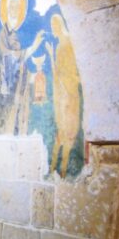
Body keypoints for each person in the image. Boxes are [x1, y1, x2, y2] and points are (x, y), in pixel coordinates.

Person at [0, 0, 45, 136]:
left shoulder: (15, 34)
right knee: (9, 123)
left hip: (19, 88)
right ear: (7, 9)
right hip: (7, 89)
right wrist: (33, 47)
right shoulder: (3, 34)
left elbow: (20, 64)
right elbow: (9, 57)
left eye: (17, 7)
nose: (14, 10)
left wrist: (32, 76)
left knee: (20, 121)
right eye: (12, 6)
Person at [46, 14, 81, 176]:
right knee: (61, 134)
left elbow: (70, 73)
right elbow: (57, 74)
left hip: (69, 95)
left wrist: (67, 84)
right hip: (63, 95)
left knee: (66, 135)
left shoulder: (67, 44)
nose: (52, 30)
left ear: (58, 26)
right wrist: (51, 55)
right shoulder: (61, 45)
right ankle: (55, 169)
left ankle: (62, 170)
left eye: (53, 26)